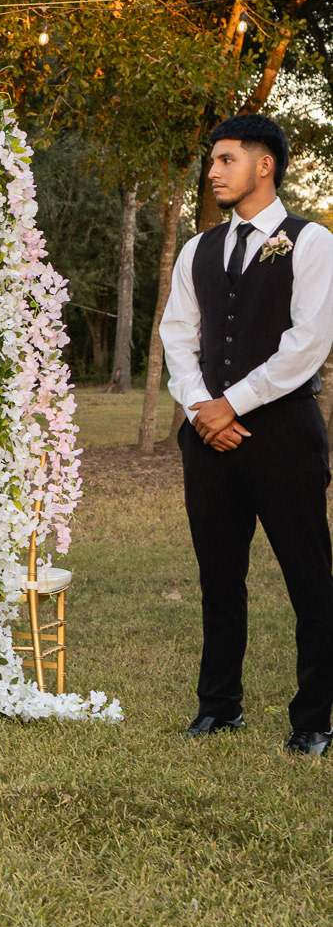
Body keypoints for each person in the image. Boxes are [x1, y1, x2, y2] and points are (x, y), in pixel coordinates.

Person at [160, 114, 333, 756]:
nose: (212, 171)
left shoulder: (312, 243)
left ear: (265, 165)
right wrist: (200, 407)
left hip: (284, 435)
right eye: (212, 161)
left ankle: (314, 718)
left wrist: (229, 404)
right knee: (219, 576)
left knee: (310, 579)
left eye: (226, 159)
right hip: (208, 441)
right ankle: (219, 707)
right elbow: (178, 334)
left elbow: (308, 342)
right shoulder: (197, 249)